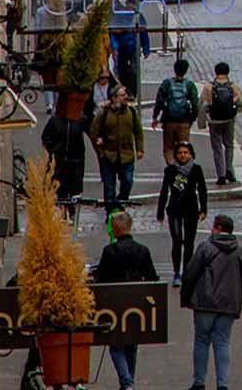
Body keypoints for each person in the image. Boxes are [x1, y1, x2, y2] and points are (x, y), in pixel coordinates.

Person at [181, 213, 242, 390]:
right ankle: (222, 384)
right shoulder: (240, 251)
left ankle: (199, 382)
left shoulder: (206, 248)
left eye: (213, 226)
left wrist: (186, 297)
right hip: (229, 303)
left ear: (219, 228)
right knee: (222, 342)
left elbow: (190, 273)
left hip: (205, 302)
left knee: (201, 341)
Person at [90, 211, 158, 389]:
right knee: (132, 344)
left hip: (114, 303)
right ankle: (129, 382)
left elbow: (101, 279)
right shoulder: (142, 250)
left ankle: (126, 382)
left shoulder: (109, 251)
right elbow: (152, 278)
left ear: (114, 229)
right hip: (136, 303)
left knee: (115, 344)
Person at [157, 141, 209, 284]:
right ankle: (176, 272)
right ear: (176, 155)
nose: (183, 155)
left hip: (191, 209)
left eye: (186, 152)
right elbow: (164, 191)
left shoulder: (196, 169)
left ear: (191, 154)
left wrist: (204, 209)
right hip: (174, 209)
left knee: (189, 242)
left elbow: (202, 189)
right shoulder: (170, 170)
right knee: (177, 241)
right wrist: (160, 211)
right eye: (180, 153)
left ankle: (187, 271)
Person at [90, 81, 144, 211]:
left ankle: (120, 202)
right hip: (109, 155)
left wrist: (140, 149)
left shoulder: (131, 112)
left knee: (128, 181)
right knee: (109, 187)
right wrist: (100, 150)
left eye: (125, 95)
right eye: (122, 95)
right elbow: (94, 132)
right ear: (114, 98)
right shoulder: (104, 113)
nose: (125, 97)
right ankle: (110, 210)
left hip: (127, 154)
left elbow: (138, 131)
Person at [39, 100, 89, 223]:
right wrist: (53, 150)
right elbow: (45, 137)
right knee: (60, 186)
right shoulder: (55, 121)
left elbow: (92, 130)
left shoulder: (80, 120)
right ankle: (62, 211)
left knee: (74, 188)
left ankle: (71, 211)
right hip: (59, 160)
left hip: (76, 160)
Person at [201, 61, 242, 186]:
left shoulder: (209, 87)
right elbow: (241, 104)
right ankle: (229, 169)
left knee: (217, 148)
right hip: (229, 120)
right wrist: (233, 112)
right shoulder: (233, 87)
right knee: (229, 145)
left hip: (214, 120)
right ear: (228, 72)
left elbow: (202, 105)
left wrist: (202, 123)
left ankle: (221, 175)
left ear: (215, 72)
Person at [152, 57, 201, 158]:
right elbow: (195, 104)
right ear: (186, 70)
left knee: (169, 147)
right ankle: (181, 165)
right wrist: (191, 119)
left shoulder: (167, 83)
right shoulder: (190, 85)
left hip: (169, 120)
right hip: (184, 121)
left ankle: (171, 165)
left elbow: (159, 101)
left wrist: (155, 116)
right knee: (183, 147)